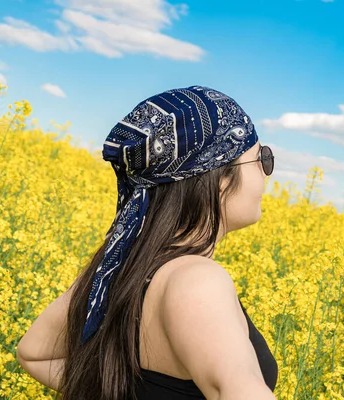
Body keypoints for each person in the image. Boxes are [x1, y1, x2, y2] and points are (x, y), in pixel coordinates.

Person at [16, 85, 278, 399]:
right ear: (220, 176)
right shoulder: (197, 280)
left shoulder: (117, 268)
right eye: (262, 158)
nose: (266, 175)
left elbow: (34, 354)